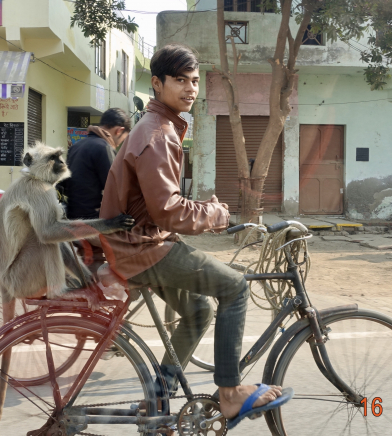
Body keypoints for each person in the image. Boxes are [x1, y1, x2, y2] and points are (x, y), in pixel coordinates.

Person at [99, 44, 290, 425]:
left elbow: (160, 203)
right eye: (180, 80)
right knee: (235, 287)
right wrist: (216, 213)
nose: (190, 88)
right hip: (142, 247)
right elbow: (168, 211)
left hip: (138, 242)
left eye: (195, 81)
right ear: (157, 83)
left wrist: (205, 211)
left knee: (198, 310)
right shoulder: (159, 133)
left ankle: (157, 398)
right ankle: (232, 392)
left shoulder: (159, 127)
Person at [61, 108, 131, 272]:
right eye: (122, 140)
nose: (119, 144)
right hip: (93, 223)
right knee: (137, 243)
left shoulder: (76, 147)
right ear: (119, 130)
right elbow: (116, 190)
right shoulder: (103, 148)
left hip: (72, 220)